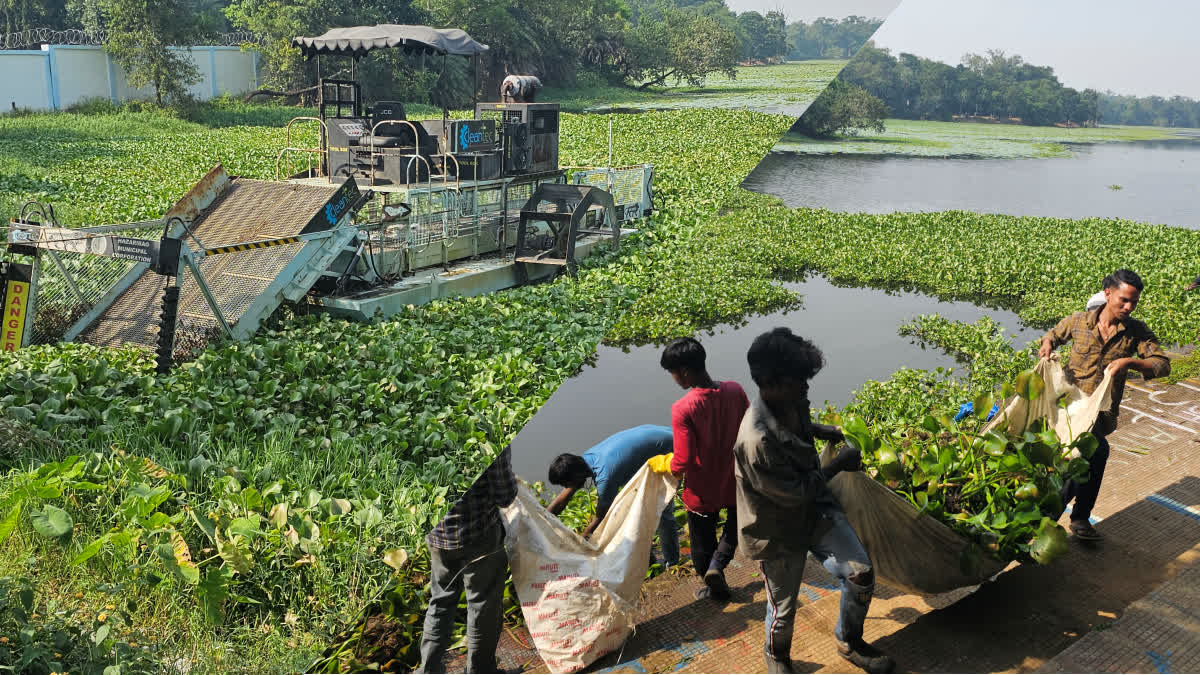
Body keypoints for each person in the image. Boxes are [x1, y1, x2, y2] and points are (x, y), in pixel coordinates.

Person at [733, 328, 894, 674]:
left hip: (815, 510)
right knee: (783, 609)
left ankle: (848, 640)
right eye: (799, 381)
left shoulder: (792, 400)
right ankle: (777, 657)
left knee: (860, 576)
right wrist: (838, 463)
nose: (807, 388)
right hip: (775, 529)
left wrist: (828, 432)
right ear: (772, 384)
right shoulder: (756, 441)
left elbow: (805, 425)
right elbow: (793, 495)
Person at [1039, 269, 1170, 541]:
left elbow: (1162, 365)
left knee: (1090, 456)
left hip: (1100, 412)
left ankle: (1065, 516)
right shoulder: (1078, 322)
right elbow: (1052, 334)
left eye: (1134, 302)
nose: (1129, 306)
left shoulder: (1135, 332)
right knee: (1091, 457)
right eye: (1124, 300)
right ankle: (1073, 518)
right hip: (1069, 409)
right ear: (1107, 293)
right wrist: (1047, 345)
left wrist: (1130, 362)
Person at [660, 337, 749, 601]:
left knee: (701, 541)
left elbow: (683, 460)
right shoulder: (735, 390)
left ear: (685, 372)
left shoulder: (683, 408)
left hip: (702, 489)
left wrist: (669, 468)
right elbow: (748, 430)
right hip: (734, 479)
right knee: (734, 525)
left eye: (673, 373)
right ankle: (717, 565)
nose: (674, 379)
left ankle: (712, 585)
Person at [419, 447, 518, 674]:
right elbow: (505, 496)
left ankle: (428, 669)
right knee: (482, 605)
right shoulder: (489, 439)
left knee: (440, 601)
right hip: (478, 536)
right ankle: (480, 670)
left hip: (439, 535)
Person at [546, 424, 680, 566]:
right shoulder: (585, 459)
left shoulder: (605, 476)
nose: (567, 487)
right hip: (664, 434)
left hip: (672, 448)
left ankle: (672, 562)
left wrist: (581, 542)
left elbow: (600, 518)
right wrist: (543, 517)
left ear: (576, 476)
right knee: (636, 509)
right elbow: (563, 498)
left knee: (661, 509)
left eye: (566, 483)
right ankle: (648, 560)